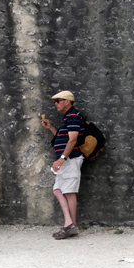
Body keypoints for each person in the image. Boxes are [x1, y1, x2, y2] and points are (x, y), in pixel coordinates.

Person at [41, 90, 86, 240]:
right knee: (59, 190)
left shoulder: (73, 115)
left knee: (68, 192)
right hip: (67, 160)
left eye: (58, 101)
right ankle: (70, 224)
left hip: (70, 159)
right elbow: (62, 137)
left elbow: (72, 140)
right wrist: (52, 127)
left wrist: (61, 158)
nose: (56, 104)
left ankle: (70, 226)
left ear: (67, 101)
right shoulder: (68, 117)